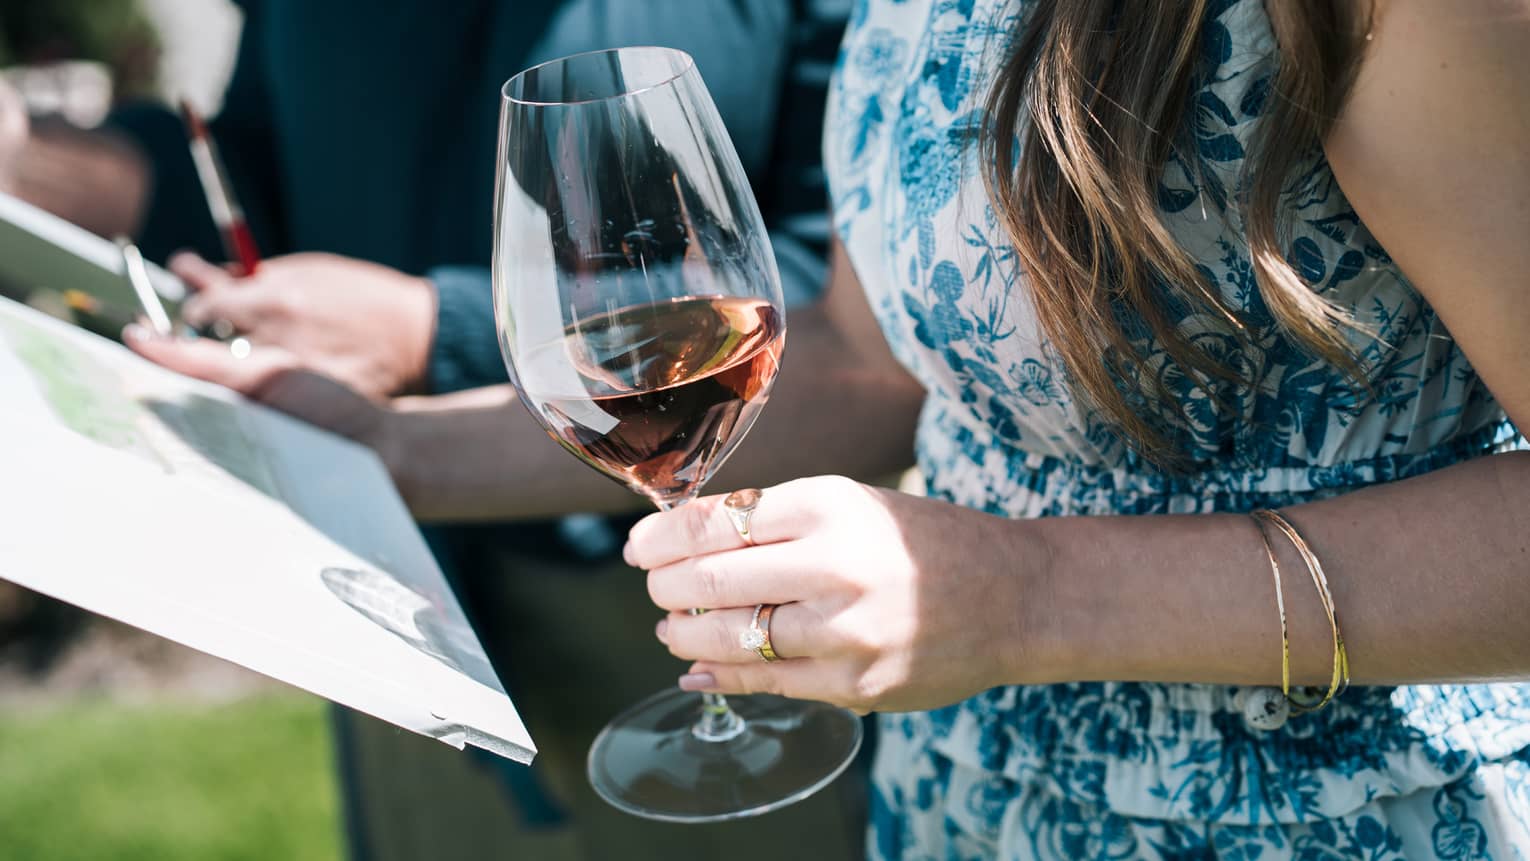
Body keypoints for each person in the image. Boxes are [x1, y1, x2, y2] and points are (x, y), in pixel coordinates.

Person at [124, 0, 1530, 856]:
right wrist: (401, 448)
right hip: (965, 807)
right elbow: (866, 356)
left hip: (1354, 817)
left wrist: (1031, 597)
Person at [0, 2, 866, 858]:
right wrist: (32, 162)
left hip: (682, 590)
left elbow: (835, 299)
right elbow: (256, 176)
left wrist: (429, 331)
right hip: (387, 600)